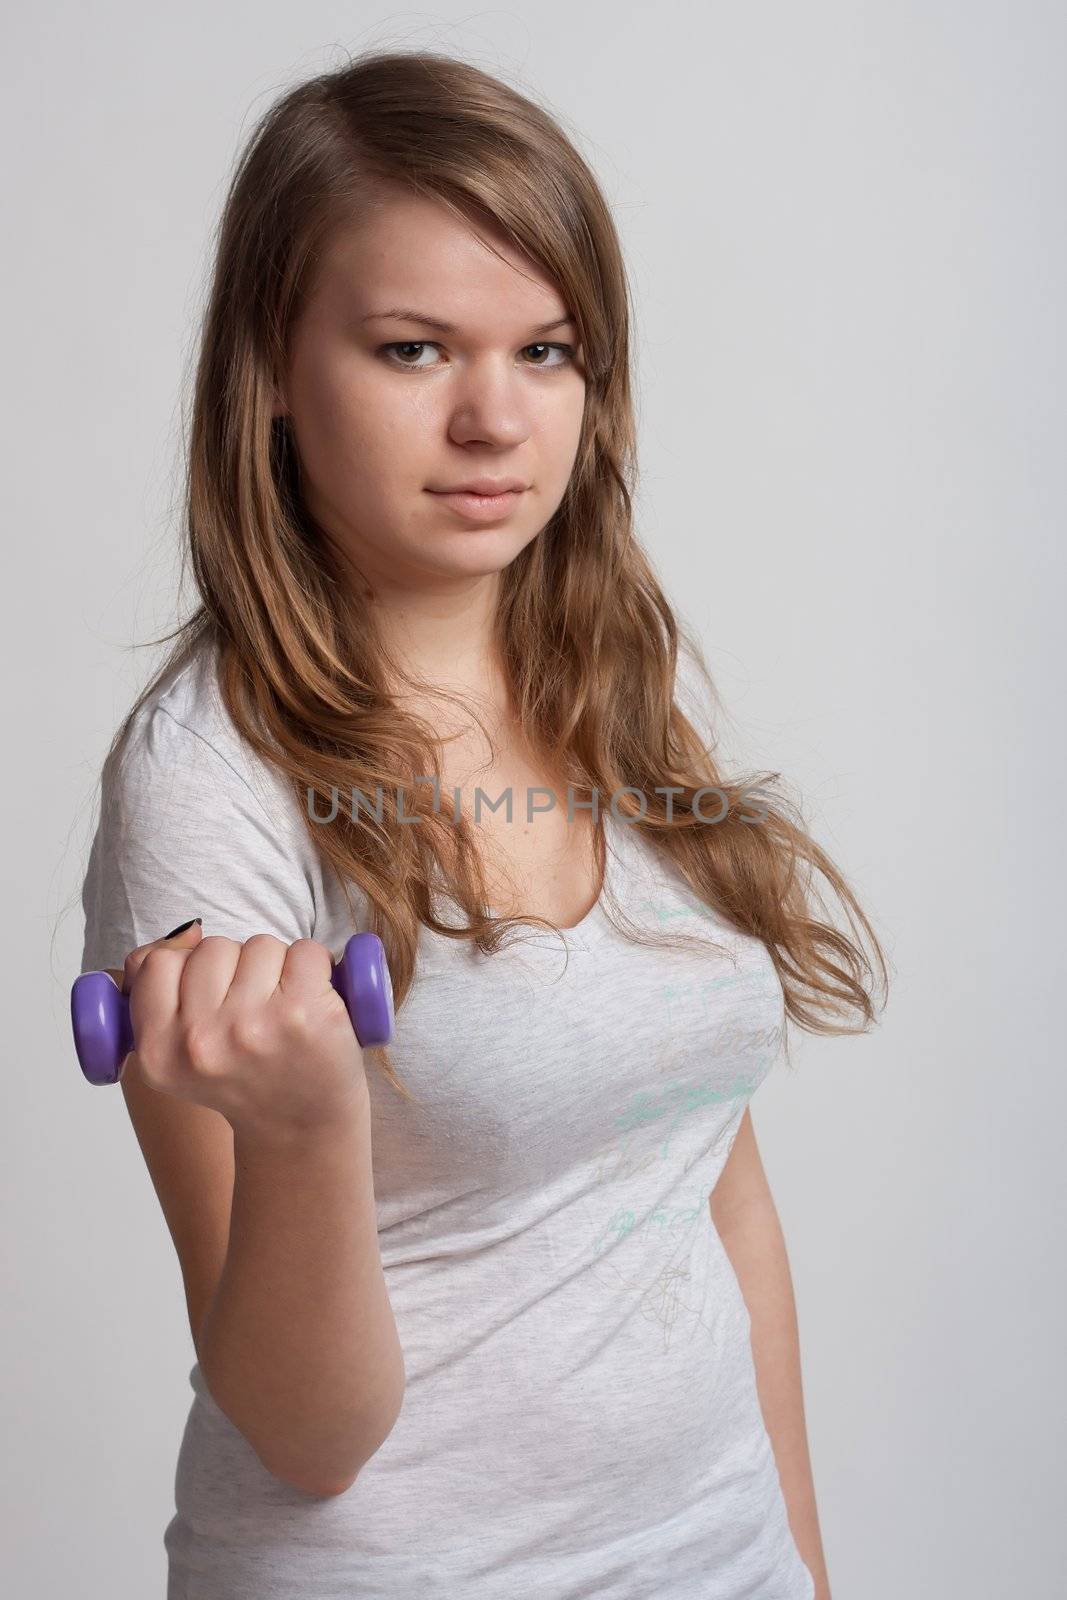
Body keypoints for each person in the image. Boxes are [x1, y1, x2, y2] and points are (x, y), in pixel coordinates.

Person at [79, 48, 886, 1599]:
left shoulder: (609, 683)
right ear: (274, 365)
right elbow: (308, 1437)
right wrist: (309, 1123)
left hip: (712, 1556)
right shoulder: (208, 778)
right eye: (412, 350)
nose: (493, 420)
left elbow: (717, 1182)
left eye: (549, 351)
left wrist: (803, 1567)